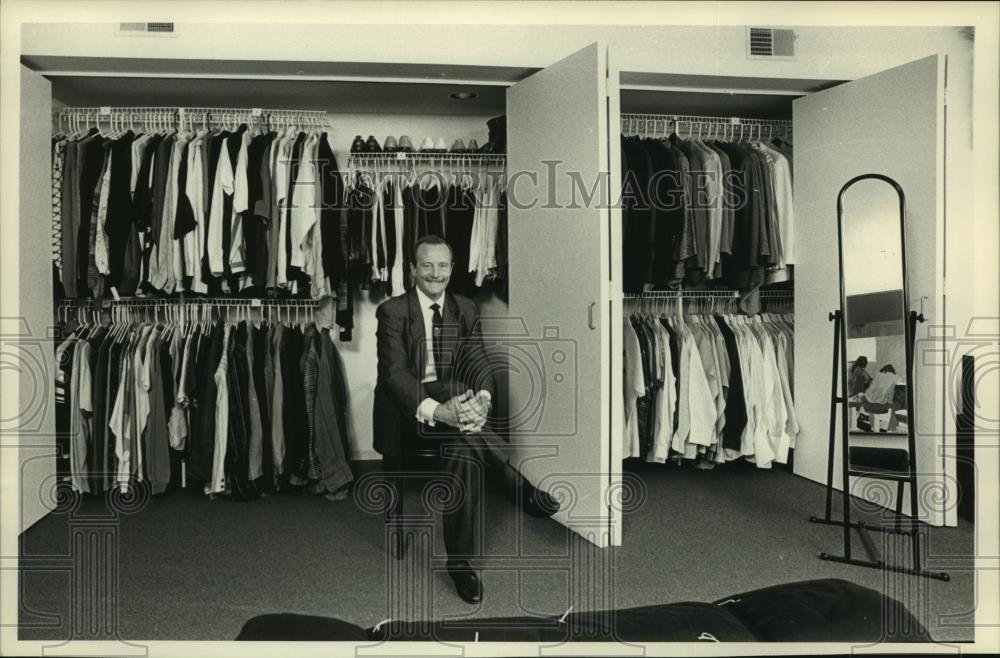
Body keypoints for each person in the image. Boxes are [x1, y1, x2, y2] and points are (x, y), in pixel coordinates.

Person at [373, 235, 560, 604]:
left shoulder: (466, 309)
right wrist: (440, 409)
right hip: (409, 415)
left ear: (452, 268)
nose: (435, 273)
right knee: (453, 387)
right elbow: (394, 376)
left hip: (457, 420)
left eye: (442, 266)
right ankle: (514, 484)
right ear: (413, 269)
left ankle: (459, 565)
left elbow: (480, 363)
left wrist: (484, 401)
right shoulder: (392, 311)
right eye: (426, 265)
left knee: (463, 447)